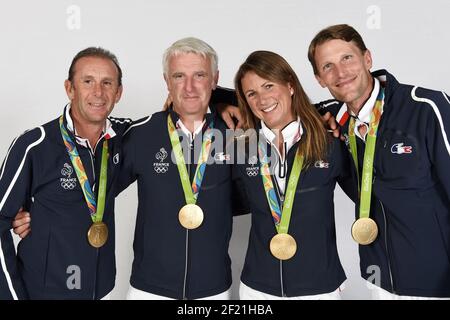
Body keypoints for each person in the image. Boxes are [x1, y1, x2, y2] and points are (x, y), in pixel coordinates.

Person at [308, 24, 450, 299]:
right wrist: (222, 103)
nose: (341, 73)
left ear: (368, 58)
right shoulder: (332, 121)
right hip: (378, 281)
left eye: (347, 58)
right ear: (319, 79)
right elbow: (277, 106)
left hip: (436, 284)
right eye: (328, 66)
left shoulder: (426, 107)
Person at [115, 37, 247, 300]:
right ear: (166, 81)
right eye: (178, 76)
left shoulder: (237, 134)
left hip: (213, 289)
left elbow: (286, 106)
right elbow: (98, 189)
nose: (189, 87)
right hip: (148, 289)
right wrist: (37, 214)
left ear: (214, 79)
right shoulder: (140, 135)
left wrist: (227, 98)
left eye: (200, 75)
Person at [0, 47, 129, 299]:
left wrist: (223, 104)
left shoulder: (123, 138)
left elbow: (174, 118)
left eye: (107, 83)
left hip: (102, 292)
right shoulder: (34, 145)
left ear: (118, 93)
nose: (98, 93)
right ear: (70, 88)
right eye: (88, 81)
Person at [232, 50, 356, 299]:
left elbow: (368, 196)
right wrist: (220, 100)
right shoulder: (240, 147)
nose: (262, 99)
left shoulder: (330, 140)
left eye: (269, 85)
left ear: (290, 85)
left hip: (319, 288)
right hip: (257, 289)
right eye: (252, 93)